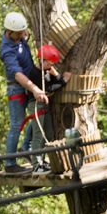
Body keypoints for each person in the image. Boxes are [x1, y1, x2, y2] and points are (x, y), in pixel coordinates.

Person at [0, 11, 48, 174]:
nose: (23, 35)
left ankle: (25, 147)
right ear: (9, 31)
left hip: (29, 83)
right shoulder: (7, 50)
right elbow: (17, 74)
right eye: (19, 33)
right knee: (16, 125)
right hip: (18, 88)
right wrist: (34, 89)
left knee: (37, 116)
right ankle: (10, 164)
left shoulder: (18, 37)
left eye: (23, 32)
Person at [19, 44, 72, 175]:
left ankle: (42, 161)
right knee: (38, 135)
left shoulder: (46, 71)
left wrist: (57, 75)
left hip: (45, 106)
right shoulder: (34, 73)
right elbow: (48, 89)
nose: (51, 65)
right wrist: (63, 81)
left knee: (49, 134)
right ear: (42, 60)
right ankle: (36, 165)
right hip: (36, 105)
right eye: (50, 63)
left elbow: (55, 81)